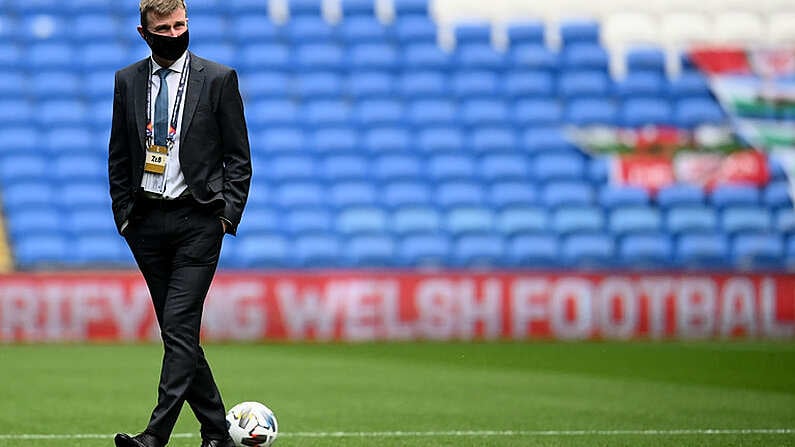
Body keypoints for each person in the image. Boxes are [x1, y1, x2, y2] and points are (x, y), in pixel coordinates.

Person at [108, 1, 251, 446]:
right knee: (179, 333)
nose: (174, 33)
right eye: (164, 27)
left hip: (198, 222)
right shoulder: (126, 81)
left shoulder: (219, 79)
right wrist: (125, 218)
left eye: (180, 24)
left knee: (179, 328)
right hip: (147, 223)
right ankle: (217, 432)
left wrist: (226, 216)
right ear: (143, 32)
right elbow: (119, 156)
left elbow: (239, 159)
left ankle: (156, 435)